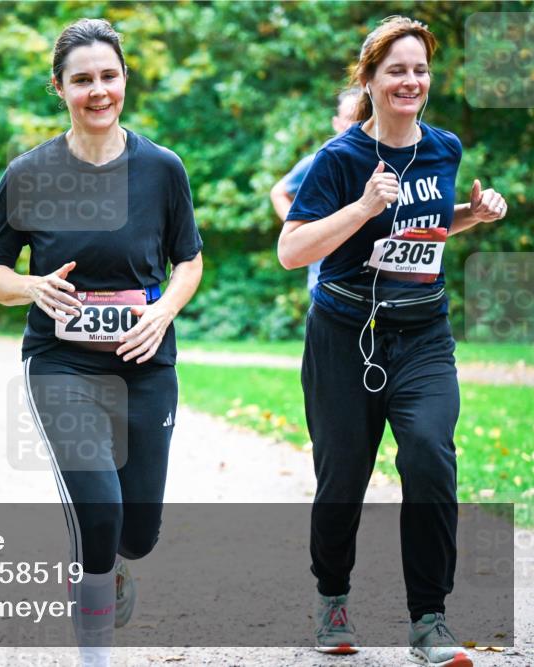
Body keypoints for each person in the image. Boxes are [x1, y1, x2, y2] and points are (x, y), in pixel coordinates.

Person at [277, 16, 507, 666]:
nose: (411, 80)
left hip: (424, 332)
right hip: (345, 333)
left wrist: (473, 214)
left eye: (421, 69)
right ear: (370, 80)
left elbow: (426, 229)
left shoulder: (445, 149)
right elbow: (291, 249)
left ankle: (429, 620)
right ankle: (333, 600)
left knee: (431, 456)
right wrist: (360, 208)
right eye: (397, 69)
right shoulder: (340, 159)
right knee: (342, 476)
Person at [0, 18, 203, 667]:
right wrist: (32, 286)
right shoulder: (29, 173)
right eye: (82, 80)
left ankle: (108, 563)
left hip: (145, 362)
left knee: (139, 531)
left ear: (124, 79)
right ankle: (95, 649)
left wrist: (164, 312)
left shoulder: (161, 168)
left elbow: (188, 259)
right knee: (99, 507)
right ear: (59, 87)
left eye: (109, 76)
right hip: (60, 363)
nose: (98, 90)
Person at [270, 87, 360, 293]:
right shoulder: (320, 162)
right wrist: (302, 233)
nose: (356, 124)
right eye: (350, 118)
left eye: (362, 117)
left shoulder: (381, 162)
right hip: (326, 282)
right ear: (336, 123)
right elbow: (279, 192)